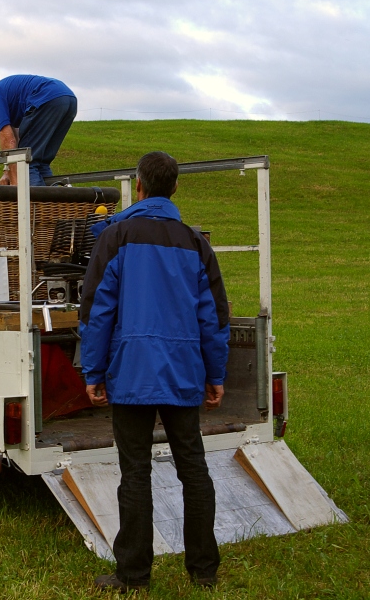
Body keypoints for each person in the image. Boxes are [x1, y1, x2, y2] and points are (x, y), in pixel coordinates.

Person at [79, 151, 230, 592]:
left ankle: (133, 576)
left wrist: (94, 371)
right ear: (175, 188)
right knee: (194, 470)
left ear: (138, 186)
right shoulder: (195, 242)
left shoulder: (116, 236)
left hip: (130, 374)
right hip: (184, 374)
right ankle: (204, 571)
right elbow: (214, 317)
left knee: (135, 473)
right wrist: (215, 374)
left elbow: (96, 312)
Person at [0, 75, 76, 186]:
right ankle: (52, 203)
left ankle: (33, 204)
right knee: (41, 163)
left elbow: (8, 140)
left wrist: (15, 186)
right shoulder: (1, 94)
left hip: (46, 98)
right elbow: (16, 139)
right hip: (67, 98)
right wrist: (7, 172)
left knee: (26, 162)